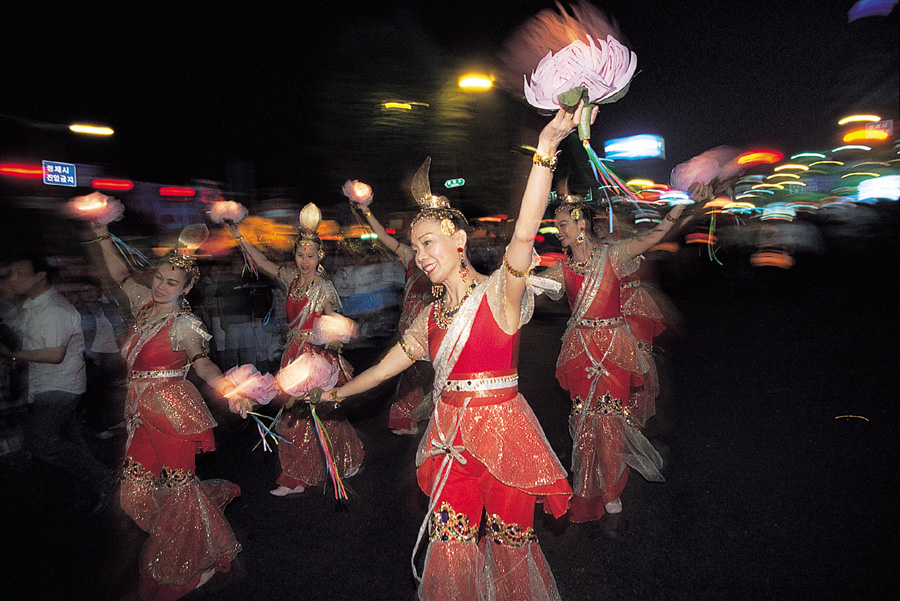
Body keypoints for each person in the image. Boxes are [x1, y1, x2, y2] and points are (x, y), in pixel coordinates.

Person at [329, 105, 588, 600]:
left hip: (507, 442)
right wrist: (332, 395)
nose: (421, 256)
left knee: (511, 548)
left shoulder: (500, 293)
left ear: (460, 241)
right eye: (415, 247)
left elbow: (525, 232)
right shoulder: (429, 317)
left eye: (429, 242)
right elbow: (382, 370)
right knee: (450, 545)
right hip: (450, 444)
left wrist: (546, 149)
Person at [89, 222, 254, 600]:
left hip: (172, 414)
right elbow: (120, 275)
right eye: (159, 278)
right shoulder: (144, 304)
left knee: (179, 492)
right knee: (133, 495)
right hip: (140, 413)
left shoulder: (185, 324)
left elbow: (203, 363)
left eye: (171, 282)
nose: (161, 286)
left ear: (186, 288)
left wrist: (230, 389)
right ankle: (191, 528)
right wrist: (102, 234)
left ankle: (193, 563)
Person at [543, 193, 685, 523]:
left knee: (609, 417)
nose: (558, 232)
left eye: (562, 225)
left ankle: (610, 490)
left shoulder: (613, 255)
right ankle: (586, 485)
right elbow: (527, 285)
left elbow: (655, 235)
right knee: (584, 419)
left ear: (581, 225)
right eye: (557, 225)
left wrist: (681, 204)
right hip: (581, 351)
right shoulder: (562, 268)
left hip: (615, 350)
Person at [227, 203, 364, 496]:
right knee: (294, 415)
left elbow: (331, 321)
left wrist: (336, 339)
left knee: (316, 412)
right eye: (301, 255)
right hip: (293, 353)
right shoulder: (290, 278)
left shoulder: (323, 287)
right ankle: (300, 473)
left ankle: (315, 469)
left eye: (310, 256)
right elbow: (262, 262)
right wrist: (240, 237)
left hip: (315, 358)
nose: (305, 261)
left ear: (319, 256)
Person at [0, 253, 113, 512]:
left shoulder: (54, 309)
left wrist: (12, 355)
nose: (12, 278)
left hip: (60, 386)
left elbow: (54, 354)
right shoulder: (32, 306)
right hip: (46, 383)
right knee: (70, 441)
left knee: (43, 443)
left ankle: (105, 480)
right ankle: (91, 490)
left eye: (19, 273)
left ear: (40, 276)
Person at [350, 192, 435, 435]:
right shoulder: (410, 256)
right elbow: (383, 237)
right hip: (406, 328)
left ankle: (418, 418)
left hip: (430, 328)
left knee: (421, 375)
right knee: (400, 372)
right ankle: (408, 418)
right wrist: (366, 212)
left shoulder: (441, 261)